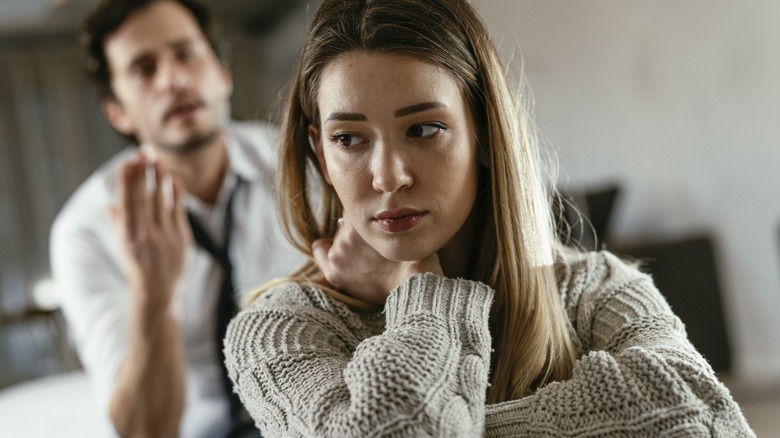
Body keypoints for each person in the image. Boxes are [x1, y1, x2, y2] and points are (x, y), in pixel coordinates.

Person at [224, 0, 755, 436]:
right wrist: (426, 296)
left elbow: (705, 419)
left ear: (482, 132)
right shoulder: (280, 330)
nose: (388, 177)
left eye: (424, 129)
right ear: (321, 154)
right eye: (349, 139)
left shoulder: (599, 292)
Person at [49, 0, 304, 436]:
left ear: (223, 74)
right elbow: (144, 431)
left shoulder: (303, 165)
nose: (174, 80)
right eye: (144, 69)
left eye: (186, 54)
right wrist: (155, 294)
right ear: (117, 111)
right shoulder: (84, 233)